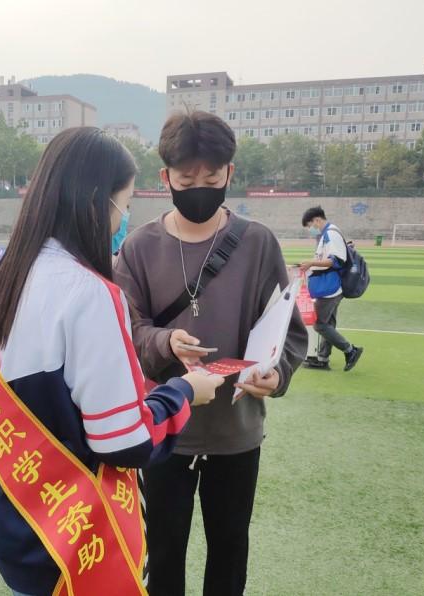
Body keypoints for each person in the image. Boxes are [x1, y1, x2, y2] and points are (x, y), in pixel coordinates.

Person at [0, 127, 223, 596]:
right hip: (72, 543)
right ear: (98, 203)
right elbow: (125, 443)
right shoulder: (92, 294)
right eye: (125, 203)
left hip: (12, 523)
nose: (125, 217)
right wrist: (183, 392)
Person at [113, 111, 308, 596]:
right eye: (186, 180)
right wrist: (164, 341)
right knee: (163, 552)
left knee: (229, 550)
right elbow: (126, 331)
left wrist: (277, 373)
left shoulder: (257, 242)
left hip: (236, 432)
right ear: (165, 179)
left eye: (211, 178)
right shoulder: (139, 247)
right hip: (163, 430)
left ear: (230, 174)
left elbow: (289, 330)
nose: (198, 188)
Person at [300, 206, 364, 372]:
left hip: (329, 288)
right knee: (328, 324)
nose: (310, 229)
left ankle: (350, 350)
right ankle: (322, 359)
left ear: (317, 220)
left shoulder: (330, 233)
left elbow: (335, 261)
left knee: (320, 325)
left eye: (310, 225)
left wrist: (311, 263)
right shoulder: (328, 233)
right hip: (331, 287)